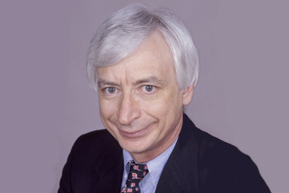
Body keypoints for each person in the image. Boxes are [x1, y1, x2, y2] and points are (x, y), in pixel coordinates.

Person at [58, 3, 271, 193]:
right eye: (111, 90)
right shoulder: (85, 155)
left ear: (186, 89)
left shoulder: (233, 177)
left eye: (147, 88)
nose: (125, 116)